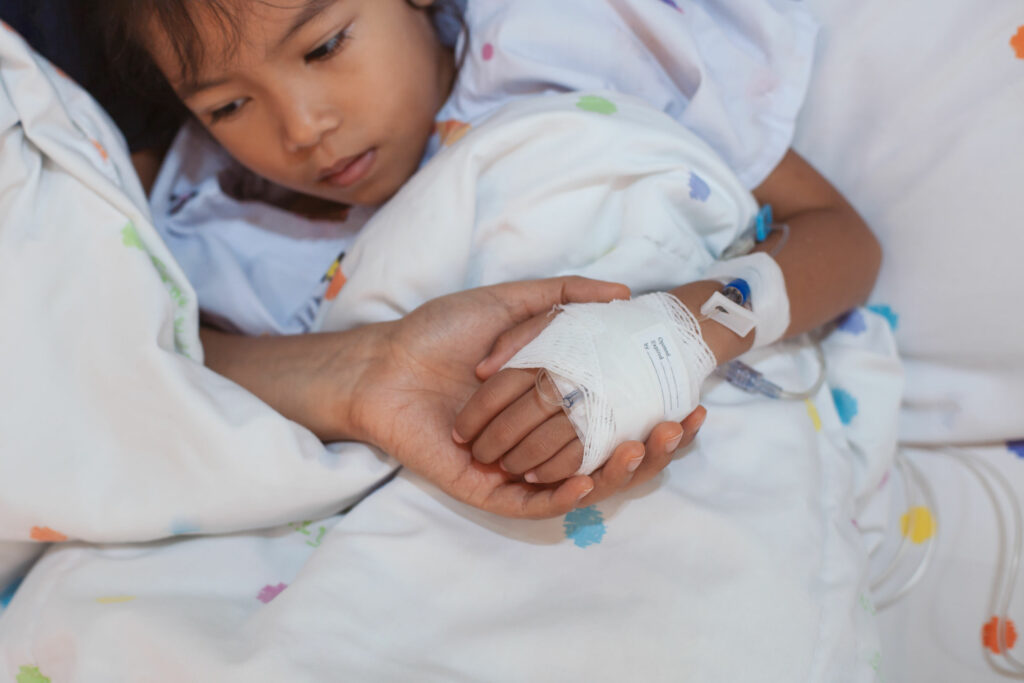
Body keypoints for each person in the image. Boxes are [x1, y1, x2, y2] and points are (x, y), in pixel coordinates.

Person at [98, 0, 880, 508]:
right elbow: (157, 375)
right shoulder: (208, 219)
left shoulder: (562, 42)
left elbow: (840, 239)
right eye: (228, 105)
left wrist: (673, 336)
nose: (301, 127)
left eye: (327, 45)